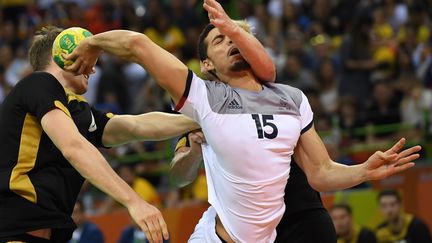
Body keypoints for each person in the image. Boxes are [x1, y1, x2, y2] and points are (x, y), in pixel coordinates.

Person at [64, 0, 422, 241]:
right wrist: (95, 43)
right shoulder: (203, 99)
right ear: (206, 65)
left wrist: (363, 171)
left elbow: (320, 172)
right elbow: (139, 45)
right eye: (219, 40)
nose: (231, 42)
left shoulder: (292, 98)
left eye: (235, 35)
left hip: (289, 225)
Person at [0, 26, 200, 243]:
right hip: (14, 232)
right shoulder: (38, 83)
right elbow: (73, 147)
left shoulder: (75, 109)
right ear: (63, 53)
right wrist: (134, 201)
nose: (93, 69)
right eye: (87, 54)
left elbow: (135, 126)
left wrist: (203, 121)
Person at [171, 131, 337, 243]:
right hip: (240, 226)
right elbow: (178, 178)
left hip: (299, 216)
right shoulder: (196, 114)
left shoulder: (282, 101)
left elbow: (321, 166)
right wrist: (194, 154)